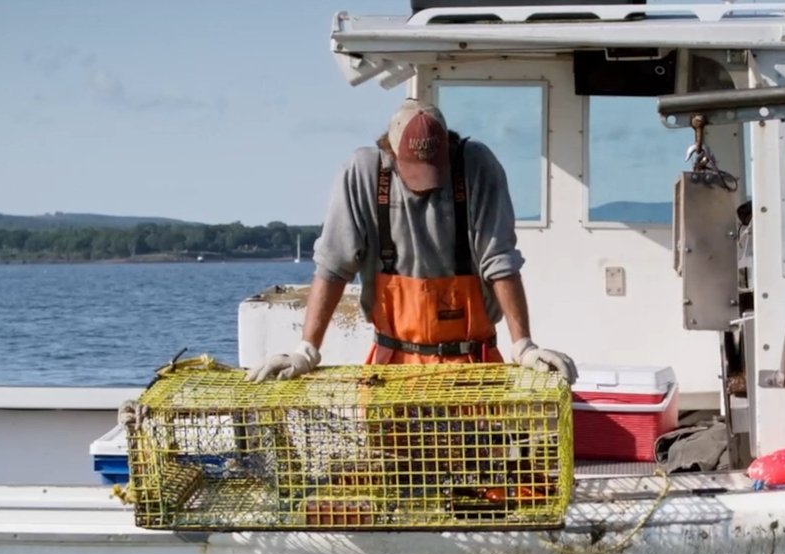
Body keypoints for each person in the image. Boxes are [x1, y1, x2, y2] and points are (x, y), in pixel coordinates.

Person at [245, 99, 576, 384]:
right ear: (389, 151)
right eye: (414, 170)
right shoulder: (363, 172)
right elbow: (333, 265)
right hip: (393, 367)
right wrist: (307, 349)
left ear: (448, 146)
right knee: (389, 458)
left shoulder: (477, 167)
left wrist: (523, 346)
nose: (425, 185)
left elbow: (499, 260)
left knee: (479, 456)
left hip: (473, 366)